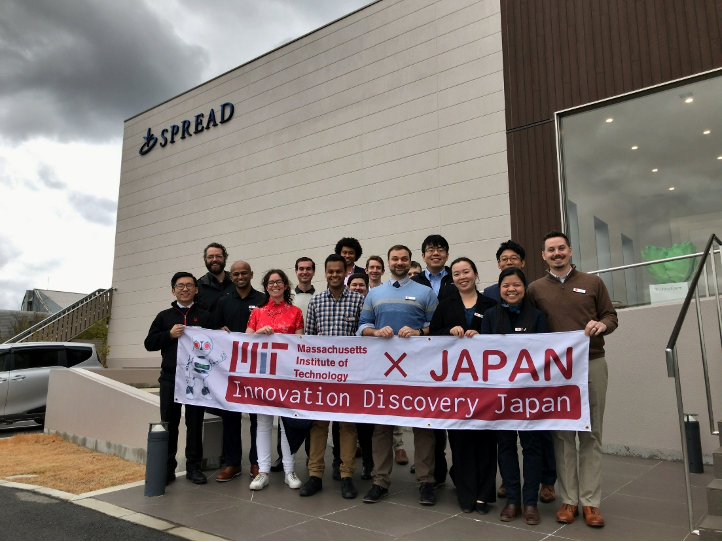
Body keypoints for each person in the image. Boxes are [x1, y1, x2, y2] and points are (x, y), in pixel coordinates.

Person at [527, 231, 618, 528]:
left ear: (570, 251)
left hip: (591, 363)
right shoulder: (535, 289)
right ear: (543, 256)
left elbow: (611, 317)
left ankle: (591, 503)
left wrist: (601, 324)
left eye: (561, 248)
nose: (557, 254)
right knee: (563, 435)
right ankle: (568, 499)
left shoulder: (593, 283)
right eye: (550, 250)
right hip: (556, 373)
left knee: (591, 435)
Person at [358, 244, 439, 506]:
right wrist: (375, 332)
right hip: (383, 372)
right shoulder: (374, 294)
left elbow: (436, 329)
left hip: (418, 371)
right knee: (382, 428)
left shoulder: (425, 293)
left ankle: (426, 482)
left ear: (410, 261)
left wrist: (418, 333)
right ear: (388, 262)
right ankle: (380, 481)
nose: (400, 262)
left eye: (404, 258)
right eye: (395, 258)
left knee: (422, 426)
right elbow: (362, 327)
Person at [482, 240, 557, 504]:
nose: (511, 289)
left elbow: (545, 353)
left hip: (530, 395)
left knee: (533, 445)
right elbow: (483, 354)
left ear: (525, 287)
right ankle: (512, 497)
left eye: (516, 285)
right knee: (505, 445)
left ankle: (531, 499)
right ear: (499, 288)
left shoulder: (537, 316)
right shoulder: (490, 316)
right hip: (501, 395)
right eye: (506, 285)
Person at [429, 257, 497, 514]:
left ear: (476, 274)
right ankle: (466, 492)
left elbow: (502, 338)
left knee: (486, 439)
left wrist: (483, 336)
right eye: (456, 273)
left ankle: (484, 494)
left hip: (485, 383)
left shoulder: (491, 304)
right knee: (461, 439)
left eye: (466, 271)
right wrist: (449, 332)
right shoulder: (445, 305)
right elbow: (433, 334)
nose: (461, 277)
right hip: (455, 384)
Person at [299, 254, 365, 500]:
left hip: (350, 376)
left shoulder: (359, 301)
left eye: (339, 271)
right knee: (318, 425)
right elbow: (311, 340)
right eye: (330, 272)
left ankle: (346, 476)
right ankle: (315, 475)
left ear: (345, 272)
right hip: (323, 376)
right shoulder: (316, 302)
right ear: (325, 273)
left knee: (347, 426)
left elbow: (364, 339)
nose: (335, 275)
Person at [144, 272, 214, 485]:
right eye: (180, 286)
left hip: (196, 379)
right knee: (169, 423)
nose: (185, 289)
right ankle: (167, 469)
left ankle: (193, 467)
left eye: (189, 285)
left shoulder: (206, 316)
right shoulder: (164, 316)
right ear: (173, 290)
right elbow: (149, 343)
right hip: (170, 378)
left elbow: (216, 343)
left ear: (196, 289)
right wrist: (169, 335)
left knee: (195, 423)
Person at [245, 270, 305, 491]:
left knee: (286, 423)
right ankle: (263, 471)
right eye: (271, 282)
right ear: (266, 286)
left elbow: (300, 344)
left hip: (287, 375)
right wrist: (259, 332)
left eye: (279, 281)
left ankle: (289, 469)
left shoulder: (296, 312)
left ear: (286, 285)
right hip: (263, 375)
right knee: (262, 423)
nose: (275, 285)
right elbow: (245, 340)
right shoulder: (257, 313)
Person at [212, 261, 266, 483]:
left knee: (257, 417)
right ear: (231, 277)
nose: (240, 276)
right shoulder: (223, 301)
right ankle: (233, 463)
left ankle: (256, 462)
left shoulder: (263, 300)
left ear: (251, 274)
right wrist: (218, 330)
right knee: (230, 416)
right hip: (230, 368)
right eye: (236, 274)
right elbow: (213, 330)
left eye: (244, 273)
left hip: (258, 367)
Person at [411, 234, 456, 485]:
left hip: (453, 354)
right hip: (424, 356)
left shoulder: (457, 278)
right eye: (430, 250)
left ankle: (459, 471)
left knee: (455, 411)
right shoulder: (413, 281)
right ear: (423, 255)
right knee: (432, 413)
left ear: (447, 255)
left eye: (440, 250)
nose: (435, 253)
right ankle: (435, 471)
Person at [344, 271, 374, 480]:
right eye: (353, 284)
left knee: (366, 421)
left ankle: (369, 462)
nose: (357, 288)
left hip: (369, 369)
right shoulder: (345, 305)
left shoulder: (372, 305)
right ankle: (343, 461)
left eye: (361, 284)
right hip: (345, 369)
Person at [196, 243, 235, 311]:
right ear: (205, 260)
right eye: (210, 257)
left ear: (225, 258)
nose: (214, 260)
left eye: (218, 256)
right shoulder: (198, 287)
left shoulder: (236, 282)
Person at [294, 257, 316, 324]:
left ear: (313, 272)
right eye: (301, 269)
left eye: (308, 269)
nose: (305, 272)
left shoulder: (320, 297)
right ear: (296, 272)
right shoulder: (288, 296)